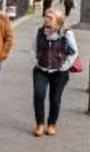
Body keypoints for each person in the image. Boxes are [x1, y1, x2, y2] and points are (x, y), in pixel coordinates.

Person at [32, 9, 78, 137]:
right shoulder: (40, 32)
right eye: (46, 16)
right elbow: (33, 48)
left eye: (50, 17)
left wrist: (64, 67)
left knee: (55, 99)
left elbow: (74, 52)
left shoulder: (66, 33)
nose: (46, 19)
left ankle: (51, 124)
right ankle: (40, 124)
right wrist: (36, 61)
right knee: (39, 95)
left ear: (58, 20)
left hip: (59, 72)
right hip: (41, 69)